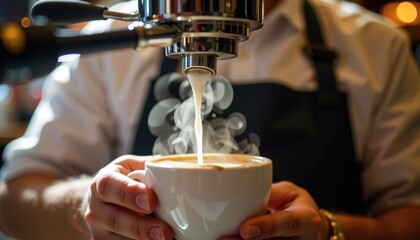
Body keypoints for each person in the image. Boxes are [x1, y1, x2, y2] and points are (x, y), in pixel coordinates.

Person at [1, 0, 420, 239]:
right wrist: (88, 207)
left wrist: (328, 230)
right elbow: (13, 202)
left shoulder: (375, 46)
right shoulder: (102, 48)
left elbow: (410, 218)